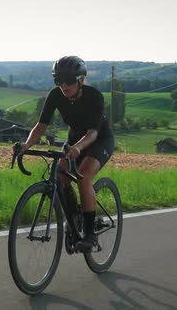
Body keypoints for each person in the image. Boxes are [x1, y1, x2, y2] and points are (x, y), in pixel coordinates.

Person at [17, 56, 115, 252]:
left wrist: (78, 147)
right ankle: (73, 220)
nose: (63, 85)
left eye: (69, 81)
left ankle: (89, 235)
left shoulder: (94, 96)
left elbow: (92, 133)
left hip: (98, 139)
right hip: (74, 140)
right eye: (58, 80)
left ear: (81, 80)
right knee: (61, 177)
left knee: (83, 177)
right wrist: (26, 145)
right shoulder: (55, 95)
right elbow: (41, 125)